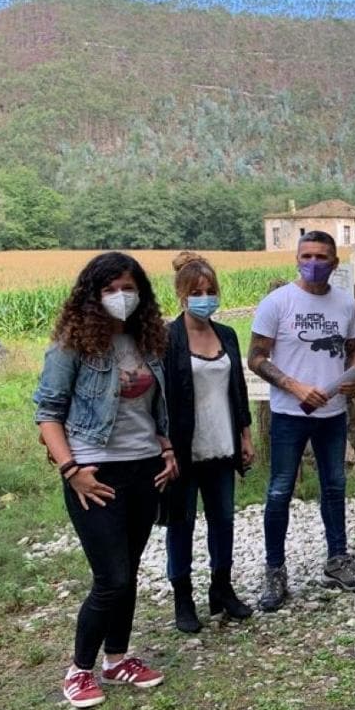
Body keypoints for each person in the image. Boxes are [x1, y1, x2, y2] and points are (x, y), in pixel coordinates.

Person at [33, 252, 177, 709]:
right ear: (92, 295)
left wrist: (167, 449)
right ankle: (79, 669)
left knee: (128, 572)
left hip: (144, 468)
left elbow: (153, 410)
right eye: (110, 288)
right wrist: (71, 470)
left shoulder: (148, 342)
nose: (121, 296)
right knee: (110, 577)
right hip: (94, 472)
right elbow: (48, 413)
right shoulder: (71, 347)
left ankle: (117, 659)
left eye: (128, 288)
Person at [248, 231, 355, 610]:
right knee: (280, 491)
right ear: (296, 258)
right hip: (290, 414)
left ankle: (338, 560)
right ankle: (275, 570)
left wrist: (350, 381)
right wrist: (294, 386)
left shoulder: (346, 304)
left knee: (334, 486)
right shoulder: (276, 303)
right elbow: (256, 357)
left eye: (321, 256)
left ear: (334, 262)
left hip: (332, 415)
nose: (313, 262)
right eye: (306, 255)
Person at [161, 252, 256, 633]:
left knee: (224, 520)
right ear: (182, 296)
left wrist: (246, 435)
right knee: (180, 523)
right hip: (183, 450)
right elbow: (160, 397)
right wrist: (164, 447)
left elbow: (238, 388)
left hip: (223, 443)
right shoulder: (167, 339)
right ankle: (183, 599)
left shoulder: (228, 335)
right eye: (197, 291)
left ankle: (222, 590)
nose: (205, 297)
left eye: (210, 290)